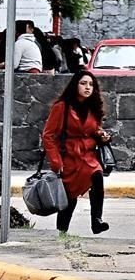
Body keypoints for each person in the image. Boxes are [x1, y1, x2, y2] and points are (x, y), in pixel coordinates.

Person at [41, 71, 113, 235]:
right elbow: (48, 135)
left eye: (90, 84)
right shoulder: (62, 107)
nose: (87, 87)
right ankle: (62, 231)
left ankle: (97, 220)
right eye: (83, 83)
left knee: (97, 177)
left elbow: (94, 129)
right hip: (69, 157)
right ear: (75, 85)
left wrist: (102, 135)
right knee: (69, 198)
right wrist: (55, 161)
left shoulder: (92, 107)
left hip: (88, 155)